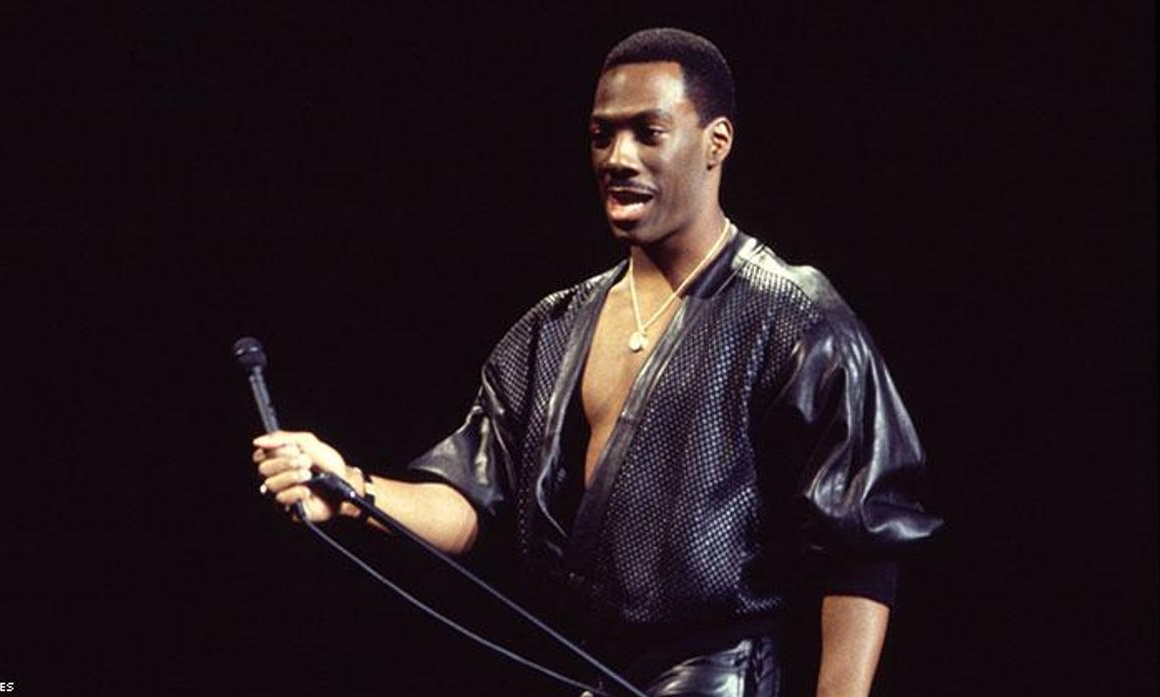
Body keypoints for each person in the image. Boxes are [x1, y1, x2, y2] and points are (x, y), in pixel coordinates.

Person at [252, 27, 941, 697]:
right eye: (601, 134)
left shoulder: (792, 315)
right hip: (587, 669)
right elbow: (467, 500)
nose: (616, 156)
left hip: (718, 675)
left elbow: (862, 544)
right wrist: (348, 487)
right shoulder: (551, 328)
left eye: (648, 131)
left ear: (715, 142)